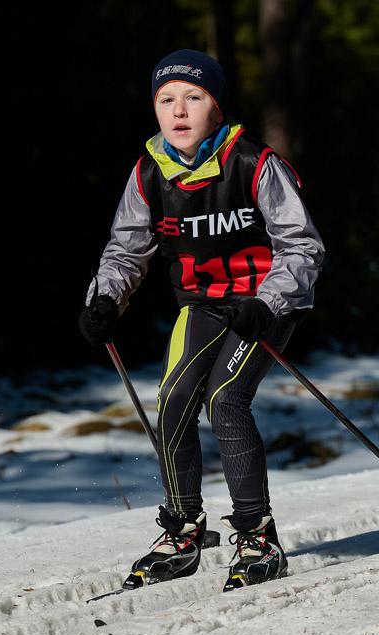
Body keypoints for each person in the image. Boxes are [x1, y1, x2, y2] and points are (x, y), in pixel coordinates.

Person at [78, 49, 325, 591]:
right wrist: (105, 299)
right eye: (166, 99)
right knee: (174, 397)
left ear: (217, 107)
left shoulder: (255, 164)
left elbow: (303, 247)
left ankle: (258, 538)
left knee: (225, 398)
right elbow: (125, 250)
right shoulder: (149, 172)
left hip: (262, 304)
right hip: (204, 304)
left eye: (194, 97)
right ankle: (183, 532)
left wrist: (268, 302)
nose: (179, 110)